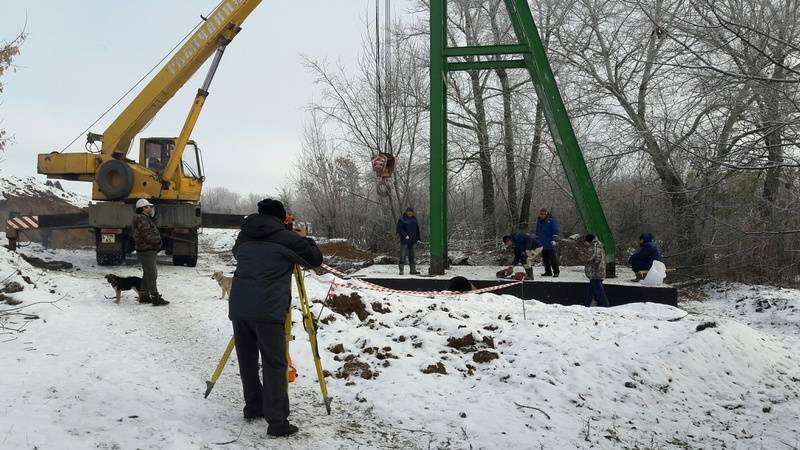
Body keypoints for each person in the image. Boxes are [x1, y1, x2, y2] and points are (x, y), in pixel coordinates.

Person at [228, 198, 323, 437]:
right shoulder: (286, 238)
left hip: (239, 306)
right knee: (274, 364)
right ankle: (277, 422)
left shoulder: (245, 236)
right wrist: (303, 238)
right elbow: (315, 259)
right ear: (282, 218)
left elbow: (236, 253)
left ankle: (253, 407)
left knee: (247, 359)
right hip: (268, 309)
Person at [132, 198, 168, 306]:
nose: (150, 208)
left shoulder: (144, 218)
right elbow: (147, 235)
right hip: (146, 250)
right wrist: (157, 242)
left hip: (146, 249)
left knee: (147, 273)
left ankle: (144, 296)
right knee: (152, 274)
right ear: (143, 208)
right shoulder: (142, 219)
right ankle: (155, 297)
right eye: (148, 207)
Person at [582, 234, 609, 307]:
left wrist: (584, 257)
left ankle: (606, 306)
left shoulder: (593, 248)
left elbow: (594, 259)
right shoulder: (598, 246)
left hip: (595, 273)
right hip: (597, 272)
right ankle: (586, 305)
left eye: (585, 241)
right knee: (591, 291)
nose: (584, 243)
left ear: (589, 241)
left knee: (600, 292)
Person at [534, 208, 560, 277]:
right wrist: (536, 240)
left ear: (546, 214)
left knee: (552, 259)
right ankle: (548, 272)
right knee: (545, 259)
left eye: (542, 214)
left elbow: (556, 231)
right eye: (540, 214)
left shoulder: (551, 221)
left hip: (550, 243)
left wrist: (554, 240)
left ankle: (556, 271)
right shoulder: (539, 221)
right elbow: (537, 232)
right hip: (542, 243)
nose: (541, 215)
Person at [396, 207, 421, 275]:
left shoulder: (414, 219)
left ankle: (412, 270)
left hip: (413, 241)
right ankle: (401, 270)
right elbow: (399, 229)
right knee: (403, 255)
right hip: (405, 241)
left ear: (413, 213)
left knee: (412, 256)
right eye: (408, 211)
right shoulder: (402, 219)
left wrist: (418, 238)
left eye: (411, 212)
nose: (410, 213)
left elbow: (417, 230)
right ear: (406, 212)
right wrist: (405, 235)